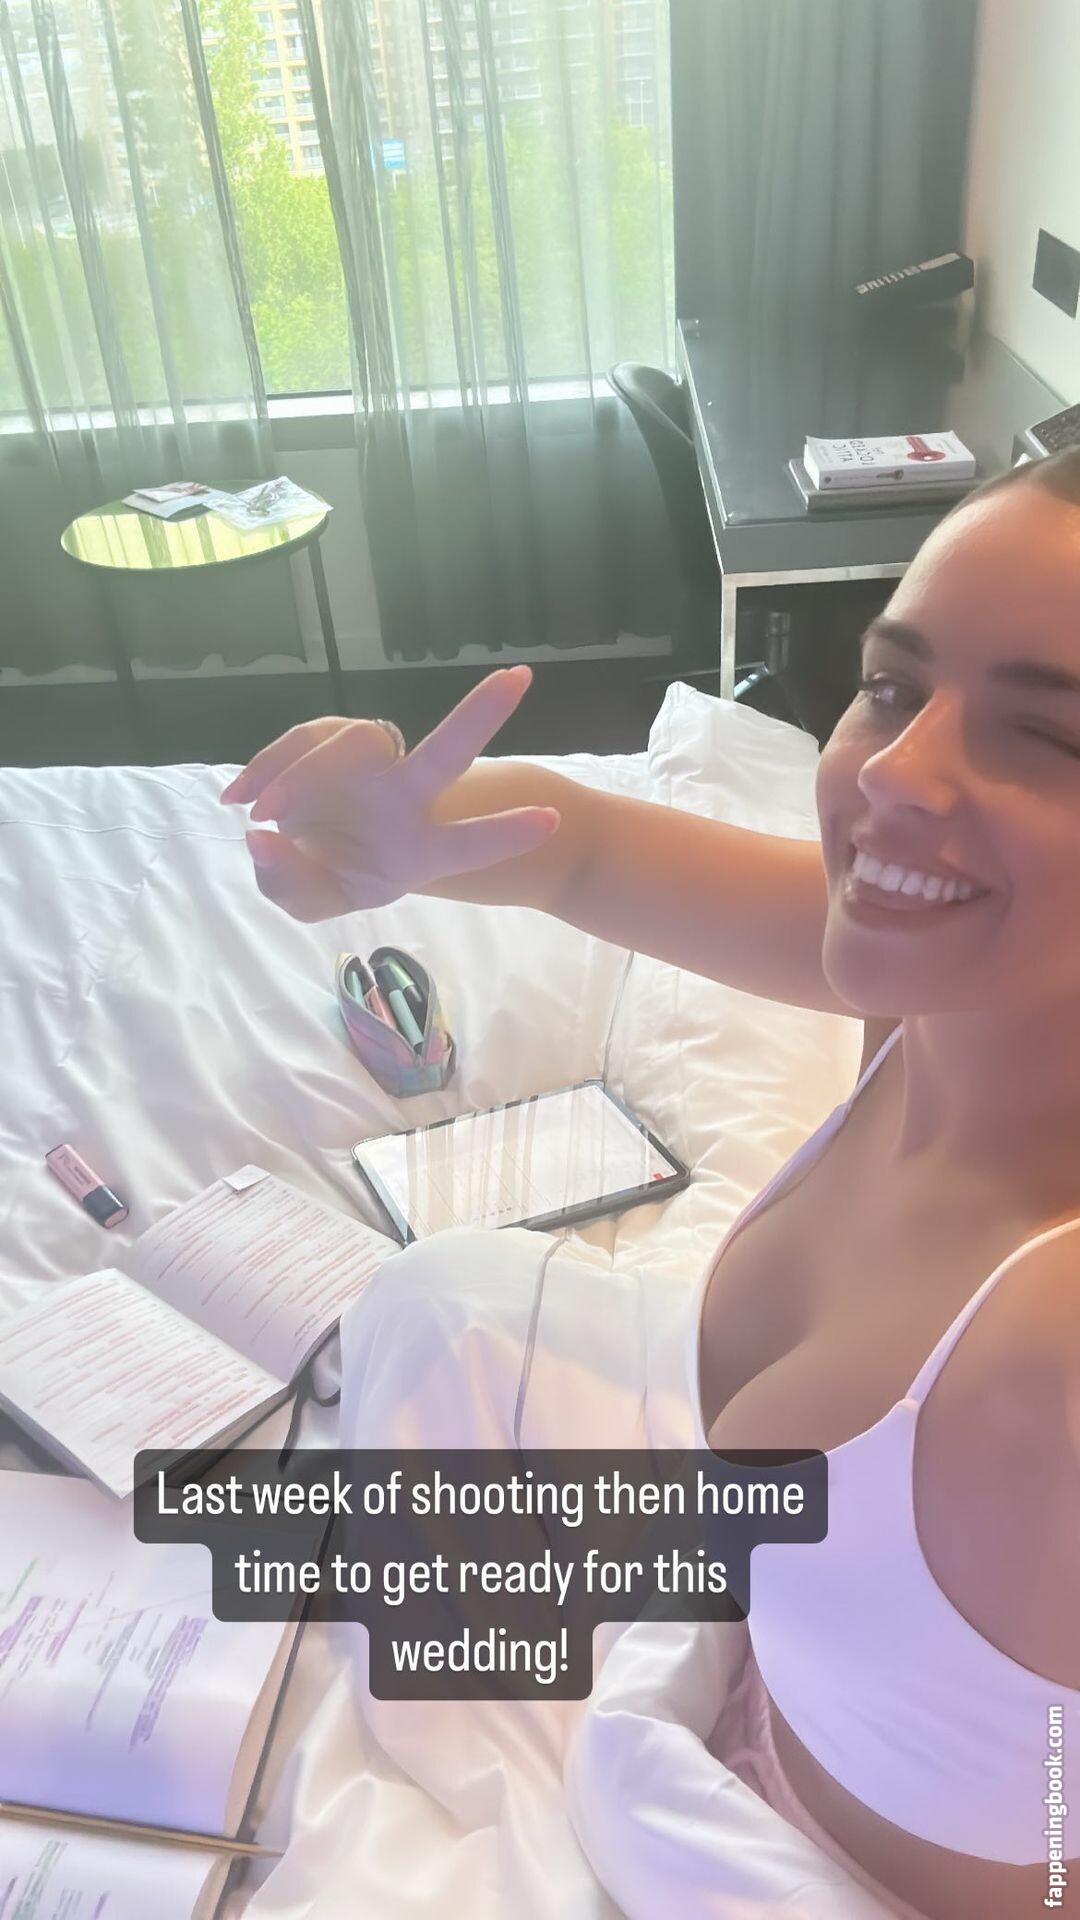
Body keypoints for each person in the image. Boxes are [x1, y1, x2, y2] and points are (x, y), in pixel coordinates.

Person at [220, 448, 1080, 1920]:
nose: (893, 773)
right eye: (892, 687)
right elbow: (585, 853)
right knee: (441, 1299)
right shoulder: (928, 975)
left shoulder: (1051, 1343)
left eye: (1050, 737)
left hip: (809, 1879)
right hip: (748, 1694)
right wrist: (408, 834)